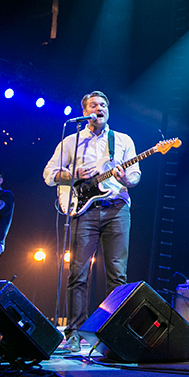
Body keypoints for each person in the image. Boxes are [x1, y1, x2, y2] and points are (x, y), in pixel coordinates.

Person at [43, 90, 141, 353]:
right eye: (94, 105)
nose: (100, 108)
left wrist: (126, 179)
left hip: (117, 208)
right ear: (85, 112)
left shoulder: (122, 140)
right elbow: (49, 174)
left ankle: (112, 332)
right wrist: (71, 173)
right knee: (78, 273)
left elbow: (135, 176)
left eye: (103, 105)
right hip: (83, 210)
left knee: (117, 274)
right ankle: (74, 333)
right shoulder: (71, 141)